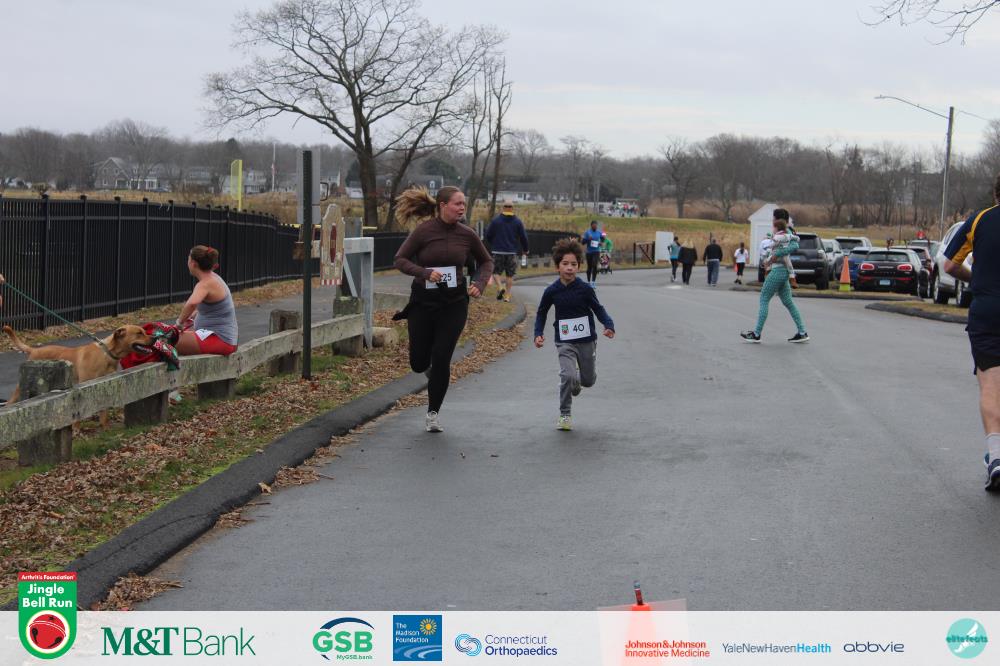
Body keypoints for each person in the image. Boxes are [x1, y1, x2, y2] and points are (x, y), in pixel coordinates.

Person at [394, 186, 493, 433]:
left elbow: (486, 261)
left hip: (453, 303)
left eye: (464, 204)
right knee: (419, 363)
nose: (462, 208)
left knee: (441, 357)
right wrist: (424, 272)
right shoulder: (424, 231)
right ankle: (429, 370)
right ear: (442, 205)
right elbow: (400, 260)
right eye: (458, 204)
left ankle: (433, 413)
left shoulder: (467, 234)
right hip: (423, 302)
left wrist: (479, 283)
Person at [942, 174, 1000, 490]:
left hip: (988, 311)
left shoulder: (979, 220)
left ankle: (997, 457)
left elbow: (950, 266)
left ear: (996, 193)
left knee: (991, 385)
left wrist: (975, 278)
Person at [534, 238, 615, 431]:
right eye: (565, 264)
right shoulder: (551, 291)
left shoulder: (585, 289)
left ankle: (577, 380)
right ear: (557, 267)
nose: (569, 268)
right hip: (564, 341)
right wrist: (538, 333)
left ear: (579, 266)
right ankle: (565, 414)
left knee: (588, 381)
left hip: (586, 340)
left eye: (573, 264)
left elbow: (598, 308)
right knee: (567, 375)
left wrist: (608, 324)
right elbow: (541, 313)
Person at [741, 209, 809, 343]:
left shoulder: (787, 231)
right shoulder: (782, 232)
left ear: (778, 219)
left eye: (773, 218)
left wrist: (776, 254)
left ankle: (756, 334)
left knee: (764, 299)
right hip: (782, 270)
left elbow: (795, 245)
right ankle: (802, 332)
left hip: (779, 270)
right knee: (788, 302)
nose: (772, 220)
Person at [175, 246, 238, 356]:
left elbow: (192, 304)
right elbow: (211, 309)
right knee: (163, 338)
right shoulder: (213, 278)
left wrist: (179, 323)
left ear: (193, 263)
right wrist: (192, 316)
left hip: (219, 340)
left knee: (164, 340)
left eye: (188, 259)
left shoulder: (205, 284)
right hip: (221, 338)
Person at [484, 201, 529, 303]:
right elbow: (523, 237)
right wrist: (526, 249)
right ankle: (507, 296)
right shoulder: (518, 222)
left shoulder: (496, 221)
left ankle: (500, 287)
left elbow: (488, 234)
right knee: (510, 275)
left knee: (495, 272)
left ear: (503, 208)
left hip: (497, 251)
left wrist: (493, 243)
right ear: (512, 208)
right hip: (511, 252)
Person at [581, 220, 603, 287]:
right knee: (589, 267)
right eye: (594, 226)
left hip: (596, 251)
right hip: (589, 252)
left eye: (596, 226)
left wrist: (601, 243)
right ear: (591, 226)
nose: (595, 227)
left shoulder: (599, 232)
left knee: (594, 265)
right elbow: (582, 242)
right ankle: (588, 281)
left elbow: (602, 239)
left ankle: (593, 282)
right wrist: (588, 239)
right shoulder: (587, 232)